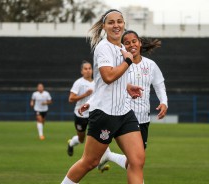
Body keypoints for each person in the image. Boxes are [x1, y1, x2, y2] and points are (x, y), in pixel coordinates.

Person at [61, 9, 145, 184]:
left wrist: (128, 87)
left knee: (137, 161)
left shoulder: (122, 48)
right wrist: (128, 61)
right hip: (105, 114)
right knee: (89, 162)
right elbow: (107, 77)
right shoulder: (103, 47)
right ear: (104, 27)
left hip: (124, 112)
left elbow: (111, 79)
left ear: (124, 24)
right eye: (111, 22)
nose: (116, 25)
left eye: (119, 21)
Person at [98, 30, 168, 173]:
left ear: (140, 43)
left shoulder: (151, 65)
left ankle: (108, 155)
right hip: (123, 117)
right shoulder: (119, 65)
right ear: (123, 46)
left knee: (136, 161)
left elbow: (159, 85)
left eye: (134, 41)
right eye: (127, 43)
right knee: (136, 162)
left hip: (143, 119)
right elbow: (106, 83)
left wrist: (164, 102)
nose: (131, 45)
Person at [67, 60, 95, 156]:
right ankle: (71, 143)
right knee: (81, 139)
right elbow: (71, 99)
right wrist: (85, 94)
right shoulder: (78, 83)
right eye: (85, 69)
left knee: (97, 138)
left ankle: (99, 161)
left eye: (89, 68)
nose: (88, 70)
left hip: (93, 114)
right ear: (82, 71)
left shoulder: (97, 82)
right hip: (80, 115)